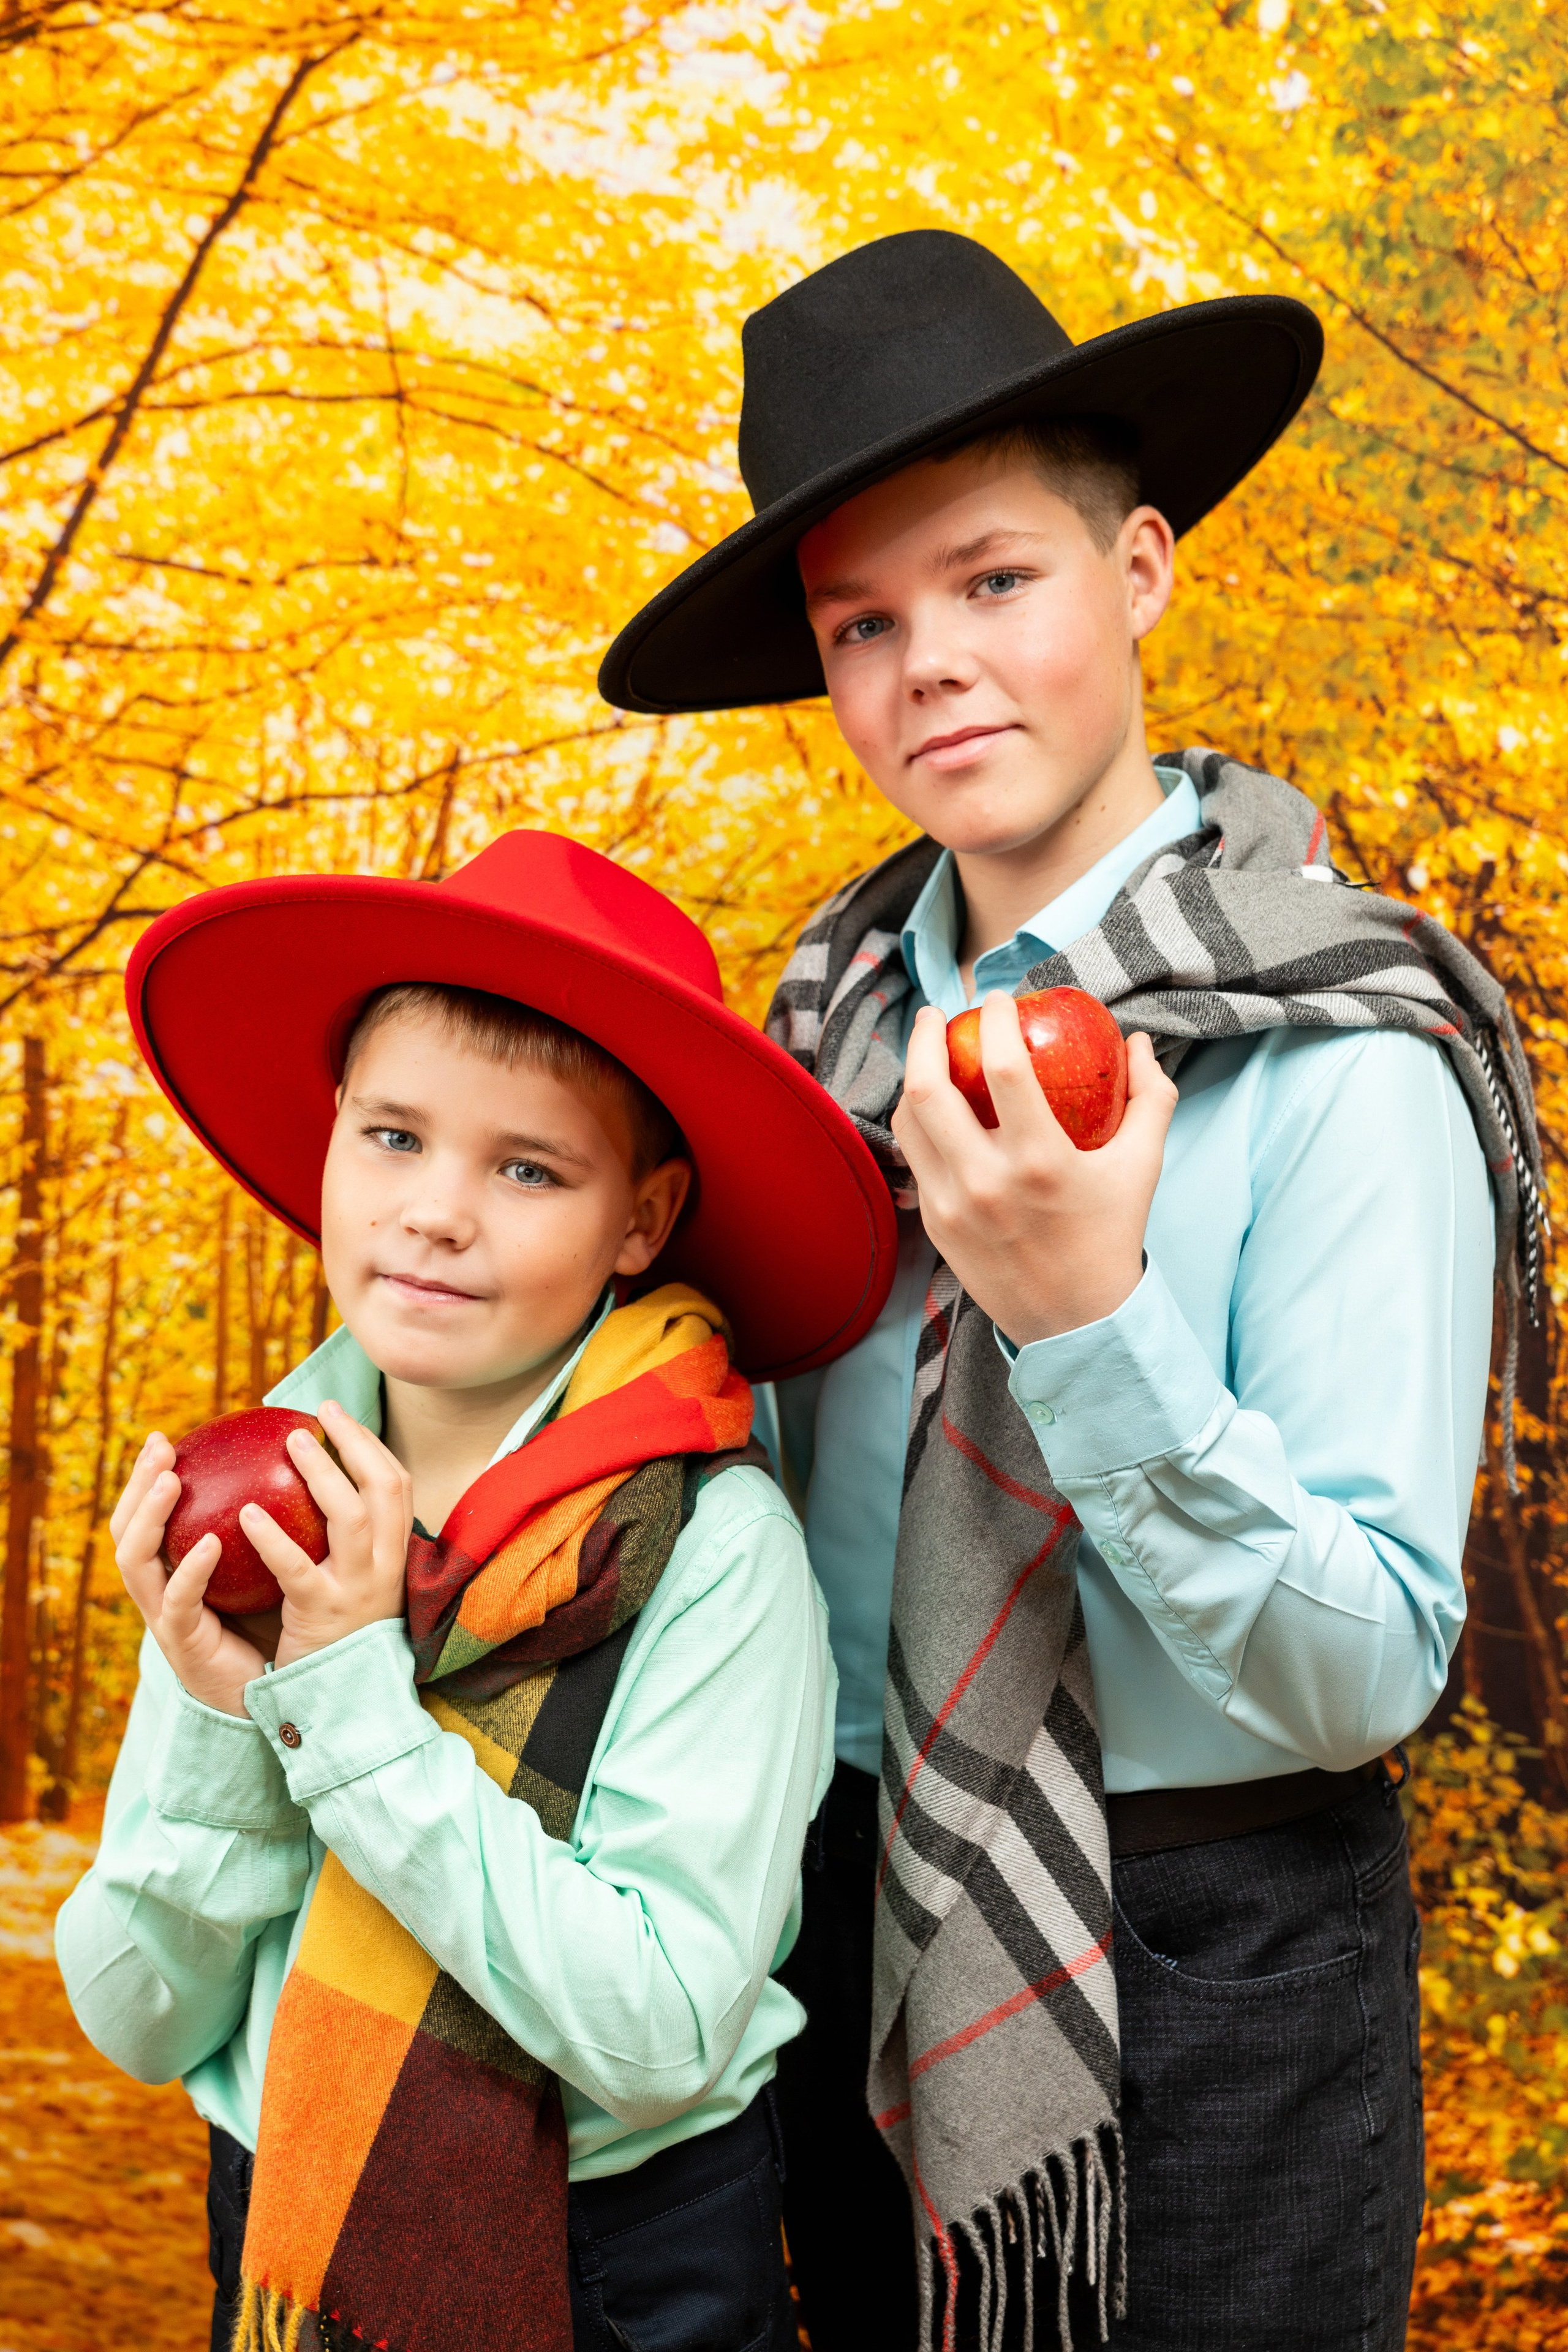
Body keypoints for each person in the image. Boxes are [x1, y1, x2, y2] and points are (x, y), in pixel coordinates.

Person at [598, 231, 1545, 2351]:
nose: (928, 661)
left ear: (1139, 572)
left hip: (1218, 1954)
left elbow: (1367, 1677)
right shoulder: (812, 1042)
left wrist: (1089, 1321)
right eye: (864, 622)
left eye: (995, 582)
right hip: (848, 1902)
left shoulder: (1348, 1055)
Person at [56, 827, 897, 2352]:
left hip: (622, 2268)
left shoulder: (712, 1554)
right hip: (291, 2214)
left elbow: (652, 2036)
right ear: (327, 1141)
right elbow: (137, 2012)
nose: (434, 1211)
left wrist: (348, 1718)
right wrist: (223, 1710)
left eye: (525, 1168)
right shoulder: (261, 1507)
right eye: (391, 1137)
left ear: (638, 1222)